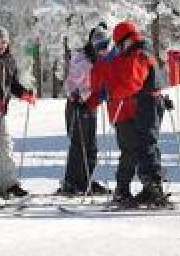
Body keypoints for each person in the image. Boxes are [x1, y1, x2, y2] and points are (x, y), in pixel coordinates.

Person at [86, 20, 169, 209]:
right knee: (136, 148)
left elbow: (132, 82)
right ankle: (136, 188)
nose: (107, 49)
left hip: (141, 104)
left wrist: (110, 93)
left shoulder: (137, 54)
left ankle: (152, 187)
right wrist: (99, 96)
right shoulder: (129, 54)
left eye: (109, 44)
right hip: (129, 108)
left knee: (144, 145)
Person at [0, 25, 36, 198]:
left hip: (1, 111)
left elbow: (12, 85)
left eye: (3, 41)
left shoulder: (9, 60)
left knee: (5, 146)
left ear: (7, 42)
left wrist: (25, 93)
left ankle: (8, 184)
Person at [59, 23, 110, 196]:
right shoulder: (82, 58)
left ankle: (86, 180)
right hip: (77, 104)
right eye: (99, 45)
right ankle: (71, 182)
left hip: (90, 104)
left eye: (105, 45)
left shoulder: (103, 58)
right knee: (78, 144)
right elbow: (72, 81)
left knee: (91, 146)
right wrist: (77, 95)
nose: (102, 49)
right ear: (92, 44)